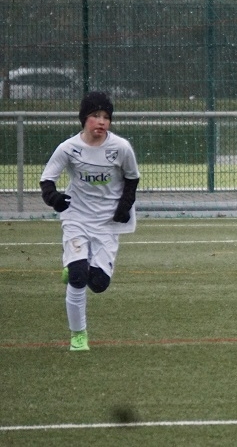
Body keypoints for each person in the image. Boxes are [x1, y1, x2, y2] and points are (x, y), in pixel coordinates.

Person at [40, 91, 141, 352]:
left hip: (107, 222)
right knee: (77, 277)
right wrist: (54, 198)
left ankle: (78, 267)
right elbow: (47, 179)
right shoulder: (68, 148)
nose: (102, 121)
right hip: (76, 218)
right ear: (84, 118)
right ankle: (78, 335)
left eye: (106, 117)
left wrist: (124, 207)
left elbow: (132, 179)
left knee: (98, 284)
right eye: (96, 115)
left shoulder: (121, 148)